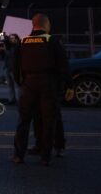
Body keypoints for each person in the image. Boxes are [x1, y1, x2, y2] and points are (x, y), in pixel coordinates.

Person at [12, 13, 74, 166]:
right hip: (48, 83)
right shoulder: (52, 41)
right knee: (49, 120)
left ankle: (19, 155)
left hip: (28, 84)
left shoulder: (23, 41)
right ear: (46, 25)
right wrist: (69, 85)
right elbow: (63, 65)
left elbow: (15, 65)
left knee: (24, 120)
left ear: (33, 25)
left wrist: (21, 82)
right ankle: (45, 156)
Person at [3, 34, 21, 104]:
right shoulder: (9, 47)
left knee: (17, 85)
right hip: (8, 68)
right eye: (10, 38)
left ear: (16, 39)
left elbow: (12, 55)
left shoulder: (18, 46)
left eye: (13, 38)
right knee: (10, 85)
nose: (11, 39)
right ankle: (12, 99)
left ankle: (18, 100)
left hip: (15, 68)